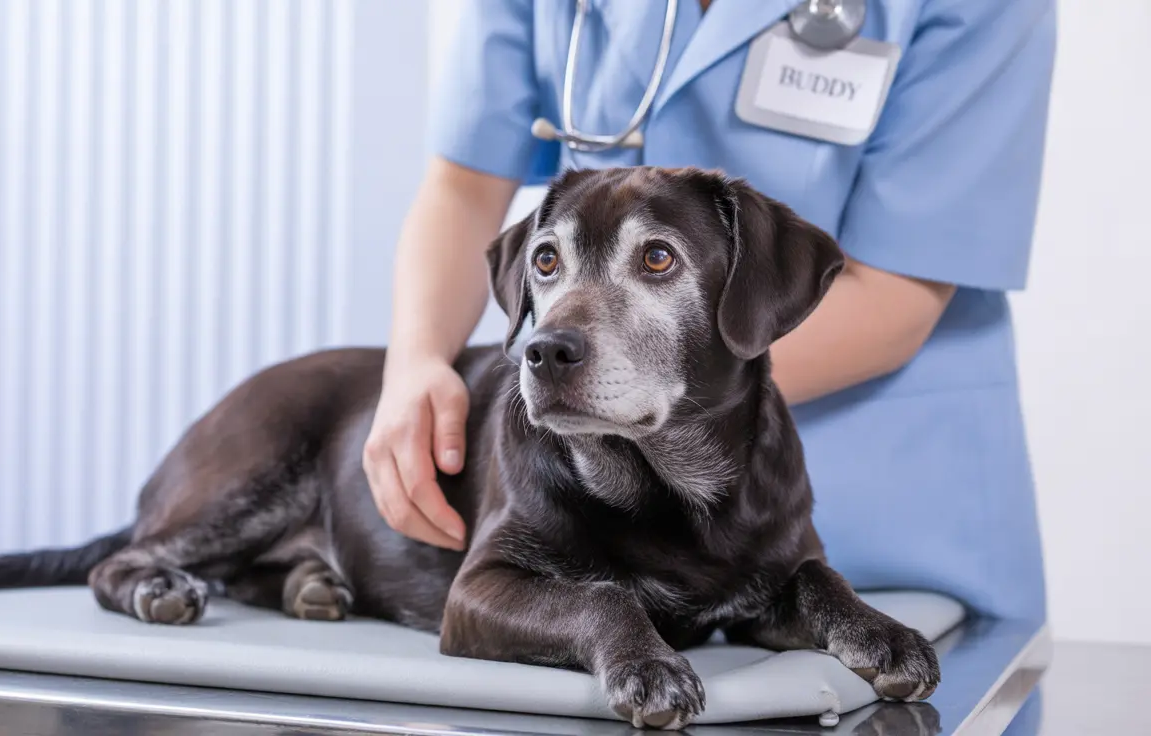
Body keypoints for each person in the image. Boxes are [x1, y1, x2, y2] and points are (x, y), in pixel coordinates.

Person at [362, 0, 1055, 625]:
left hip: (887, 513)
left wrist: (615, 384)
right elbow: (463, 184)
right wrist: (417, 360)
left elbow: (895, 295)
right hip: (600, 514)